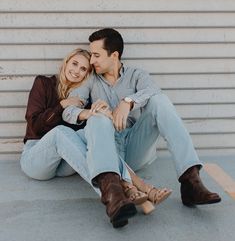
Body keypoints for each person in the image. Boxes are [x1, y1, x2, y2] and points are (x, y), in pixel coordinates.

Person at [63, 28, 221, 208]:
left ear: (114, 55)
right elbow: (68, 111)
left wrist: (128, 101)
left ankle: (191, 182)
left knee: (159, 101)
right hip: (108, 153)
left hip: (135, 146)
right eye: (91, 55)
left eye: (96, 55)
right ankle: (115, 190)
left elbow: (154, 90)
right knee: (97, 119)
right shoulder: (91, 80)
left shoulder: (136, 76)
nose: (92, 61)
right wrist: (91, 112)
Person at [20, 47, 171, 229]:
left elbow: (96, 144)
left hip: (65, 164)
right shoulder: (43, 83)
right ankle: (129, 189)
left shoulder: (84, 96)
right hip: (36, 159)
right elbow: (35, 125)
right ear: (66, 62)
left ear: (87, 75)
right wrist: (62, 105)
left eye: (83, 69)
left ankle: (119, 196)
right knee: (61, 132)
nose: (76, 71)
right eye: (74, 64)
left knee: (91, 137)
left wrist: (99, 112)